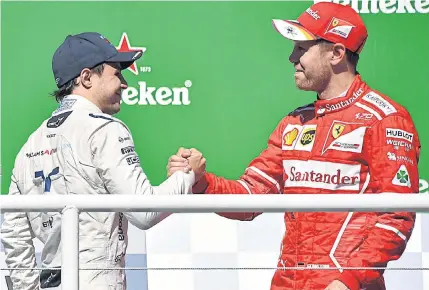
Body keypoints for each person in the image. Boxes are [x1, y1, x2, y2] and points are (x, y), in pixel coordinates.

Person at [167, 2, 421, 290]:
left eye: (301, 49)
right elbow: (250, 197)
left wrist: (347, 281)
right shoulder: (295, 122)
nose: (291, 58)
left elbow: (397, 217)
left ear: (336, 53)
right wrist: (201, 181)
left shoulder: (385, 119)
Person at [0, 32, 205, 290]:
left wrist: (25, 288)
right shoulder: (105, 129)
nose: (125, 83)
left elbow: (14, 234)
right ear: (86, 77)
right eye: (116, 73)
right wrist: (188, 175)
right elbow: (144, 212)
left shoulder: (30, 144)